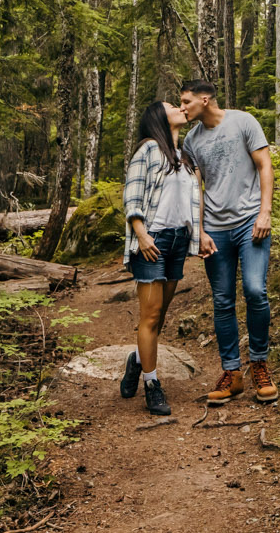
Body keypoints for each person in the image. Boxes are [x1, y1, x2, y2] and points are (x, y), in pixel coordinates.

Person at [179, 78, 278, 407]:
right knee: (222, 301)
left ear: (205, 99)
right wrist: (200, 231)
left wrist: (265, 213)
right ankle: (232, 374)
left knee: (255, 290)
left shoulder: (244, 122)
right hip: (215, 231)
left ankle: (259, 364)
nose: (183, 108)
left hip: (251, 222)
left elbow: (265, 165)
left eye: (187, 101)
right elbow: (195, 190)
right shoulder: (191, 142)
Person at [119, 99, 199, 416]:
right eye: (172, 106)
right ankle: (151, 385)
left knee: (161, 315)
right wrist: (141, 235)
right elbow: (132, 196)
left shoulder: (184, 157)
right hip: (152, 240)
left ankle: (136, 360)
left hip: (178, 239)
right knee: (150, 317)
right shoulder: (148, 150)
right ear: (158, 117)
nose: (180, 108)